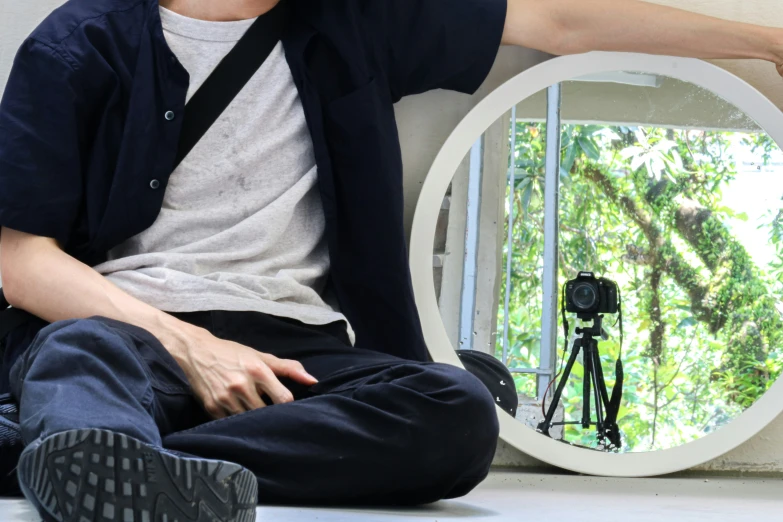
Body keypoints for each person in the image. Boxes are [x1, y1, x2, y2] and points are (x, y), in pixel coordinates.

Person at [0, 0, 782, 520]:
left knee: (456, 413)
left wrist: (768, 39)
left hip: (297, 357)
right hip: (127, 333)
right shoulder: (81, 42)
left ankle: (85, 453)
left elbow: (558, 20)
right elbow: (20, 260)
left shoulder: (355, 21)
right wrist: (189, 344)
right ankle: (87, 437)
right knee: (75, 351)